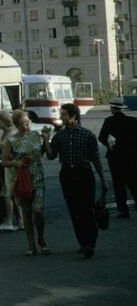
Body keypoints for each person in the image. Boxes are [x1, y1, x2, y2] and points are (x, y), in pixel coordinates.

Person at [45, 103, 109, 258]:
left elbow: (95, 159)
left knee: (87, 209)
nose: (61, 117)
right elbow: (51, 155)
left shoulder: (87, 135)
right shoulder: (60, 135)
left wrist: (103, 179)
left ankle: (90, 243)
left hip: (84, 173)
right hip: (67, 173)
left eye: (64, 114)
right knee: (74, 210)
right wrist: (46, 140)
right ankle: (82, 242)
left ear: (73, 116)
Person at [2, 110, 51, 256]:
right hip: (23, 179)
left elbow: (42, 153)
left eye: (28, 122)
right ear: (17, 125)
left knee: (38, 210)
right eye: (24, 124)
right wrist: (16, 163)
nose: (27, 126)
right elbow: (4, 161)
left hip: (38, 176)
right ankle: (31, 245)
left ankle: (41, 239)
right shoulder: (11, 141)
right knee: (27, 212)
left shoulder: (36, 136)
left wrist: (47, 140)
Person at [98, 97, 137, 218]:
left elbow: (101, 137)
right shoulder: (133, 120)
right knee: (134, 183)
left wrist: (110, 144)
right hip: (131, 157)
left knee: (118, 184)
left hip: (115, 157)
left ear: (112, 108)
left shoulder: (109, 121)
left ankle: (123, 210)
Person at [0, 110, 22, 231]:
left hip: (11, 167)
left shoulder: (11, 134)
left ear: (4, 121)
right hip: (7, 166)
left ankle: (9, 221)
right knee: (13, 195)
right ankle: (20, 221)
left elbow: (10, 154)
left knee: (7, 194)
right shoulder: (6, 133)